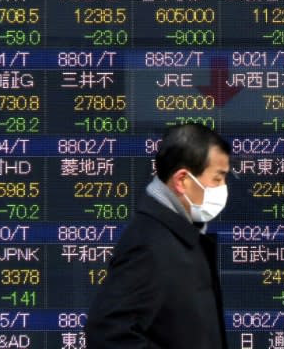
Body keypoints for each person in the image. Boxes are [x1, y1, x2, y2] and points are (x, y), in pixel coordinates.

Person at [85, 123, 230, 348]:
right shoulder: (150, 244)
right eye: (217, 178)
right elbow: (107, 332)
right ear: (182, 180)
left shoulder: (181, 237)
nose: (222, 187)